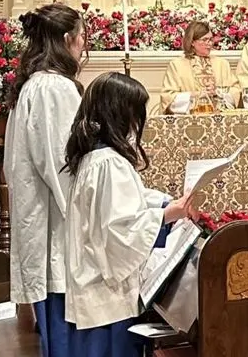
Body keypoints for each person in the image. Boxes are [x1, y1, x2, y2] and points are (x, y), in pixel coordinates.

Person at [61, 73, 199, 354]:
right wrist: (167, 215)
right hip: (106, 297)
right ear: (122, 114)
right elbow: (119, 230)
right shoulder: (110, 163)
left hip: (91, 286)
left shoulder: (94, 158)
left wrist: (164, 203)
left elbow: (122, 203)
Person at [7, 3, 88, 357]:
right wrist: (94, 213)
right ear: (68, 39)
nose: (85, 44)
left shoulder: (36, 84)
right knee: (64, 336)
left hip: (47, 220)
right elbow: (62, 163)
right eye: (82, 36)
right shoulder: (55, 88)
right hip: (57, 228)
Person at [157, 21, 241, 114]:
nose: (209, 44)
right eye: (205, 40)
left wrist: (217, 92)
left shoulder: (222, 64)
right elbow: (168, 98)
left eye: (211, 39)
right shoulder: (177, 65)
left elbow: (236, 92)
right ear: (192, 42)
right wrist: (196, 95)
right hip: (189, 122)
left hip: (219, 121)